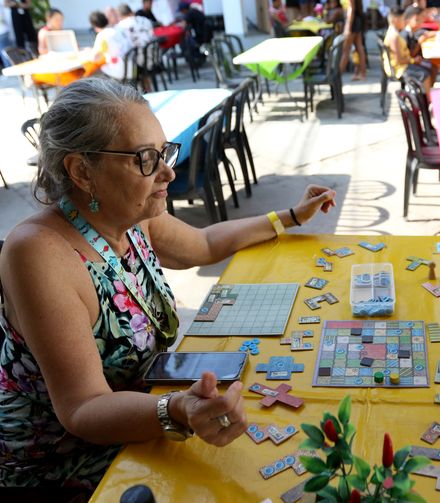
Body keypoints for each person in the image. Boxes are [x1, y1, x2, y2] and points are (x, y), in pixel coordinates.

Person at [0, 78, 337, 489]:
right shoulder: (37, 253)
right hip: (66, 456)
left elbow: (205, 243)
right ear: (81, 171)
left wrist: (290, 216)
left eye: (164, 152)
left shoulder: (130, 212)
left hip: (150, 402)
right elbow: (83, 408)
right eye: (145, 158)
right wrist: (175, 409)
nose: (168, 171)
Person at [383, 7, 433, 94]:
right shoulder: (393, 37)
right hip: (399, 69)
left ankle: (425, 96)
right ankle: (429, 101)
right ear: (395, 20)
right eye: (403, 19)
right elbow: (399, 60)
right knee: (426, 74)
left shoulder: (394, 33)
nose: (405, 21)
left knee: (428, 67)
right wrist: (414, 61)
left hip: (402, 65)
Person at [89, 10, 133, 81]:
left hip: (118, 72)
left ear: (95, 26)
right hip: (131, 68)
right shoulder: (117, 30)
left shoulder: (102, 35)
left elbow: (94, 58)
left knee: (93, 74)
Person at [339, 0, 367, 80]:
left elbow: (351, 8)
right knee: (359, 47)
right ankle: (362, 73)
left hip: (352, 21)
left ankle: (338, 75)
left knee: (346, 49)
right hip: (355, 20)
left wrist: (348, 26)